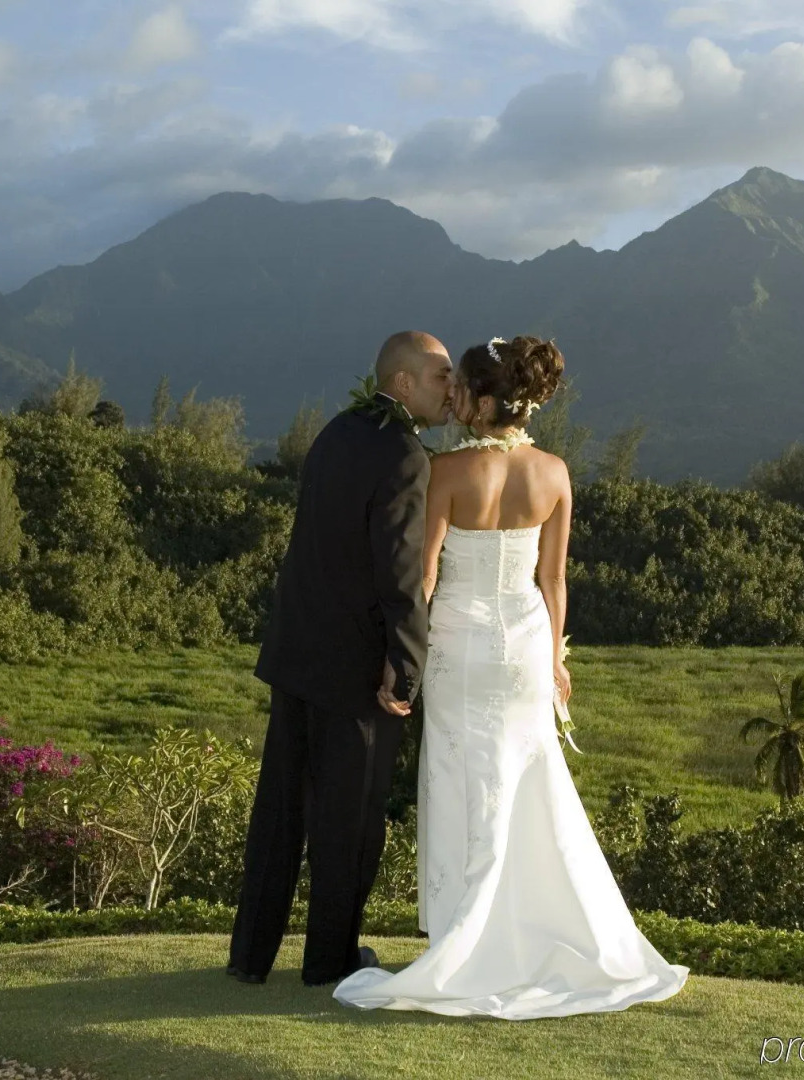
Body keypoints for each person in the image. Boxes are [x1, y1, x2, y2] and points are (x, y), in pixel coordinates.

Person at [332, 335, 689, 1018]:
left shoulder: (446, 470)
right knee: (525, 778)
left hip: (459, 645)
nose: (454, 397)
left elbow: (425, 575)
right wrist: (554, 657)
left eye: (461, 387)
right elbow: (552, 580)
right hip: (525, 644)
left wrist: (398, 657)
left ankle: (464, 936)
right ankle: (530, 931)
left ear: (485, 399)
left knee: (464, 777)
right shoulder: (553, 472)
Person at [227, 330, 454, 986]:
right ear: (404, 383)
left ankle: (249, 957)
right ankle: (327, 961)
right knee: (348, 823)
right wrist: (404, 663)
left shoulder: (334, 431)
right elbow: (400, 574)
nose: (450, 388)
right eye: (440, 376)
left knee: (279, 815)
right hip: (354, 670)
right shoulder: (405, 455)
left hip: (295, 652)